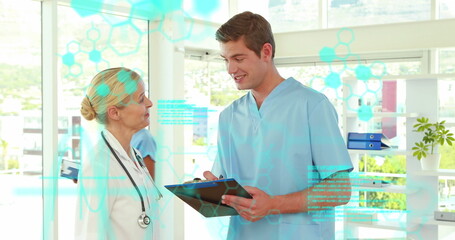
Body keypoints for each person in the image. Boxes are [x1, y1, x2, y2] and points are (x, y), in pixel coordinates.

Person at [203, 11, 353, 239]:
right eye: (227, 60)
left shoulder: (312, 106)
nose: (231, 70)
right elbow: (228, 184)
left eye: (239, 58)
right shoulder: (228, 116)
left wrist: (273, 204)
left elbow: (340, 190)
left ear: (266, 52)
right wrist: (214, 192)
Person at [76, 67, 162, 240]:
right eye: (140, 99)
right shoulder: (98, 166)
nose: (149, 103)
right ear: (115, 113)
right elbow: (89, 235)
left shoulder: (135, 155)